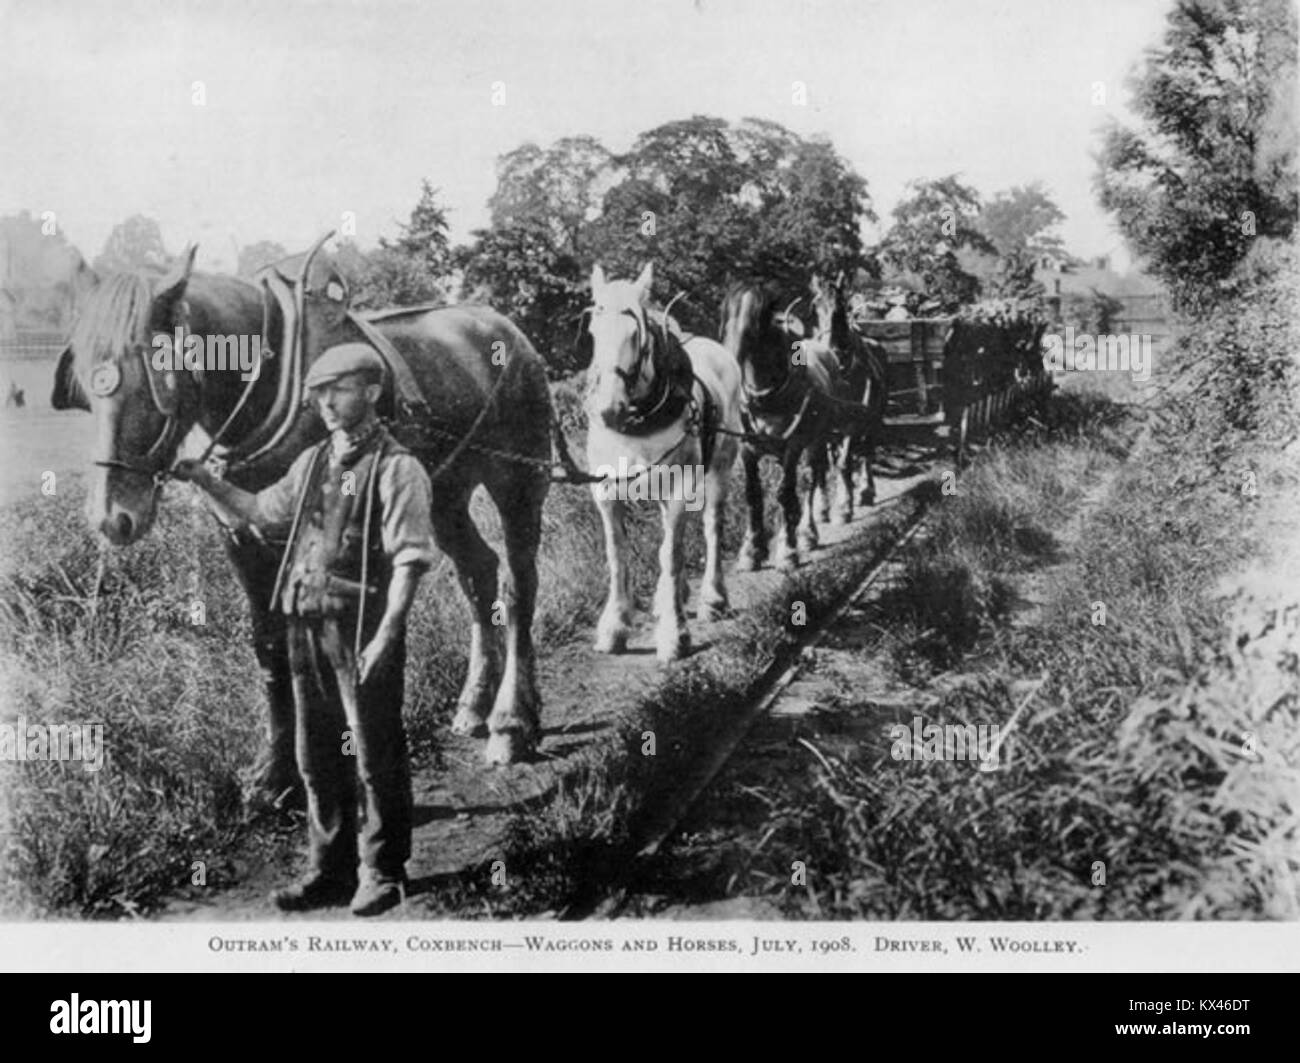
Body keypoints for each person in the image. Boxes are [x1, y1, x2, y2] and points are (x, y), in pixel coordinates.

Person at [173, 343, 436, 917]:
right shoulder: (313, 460)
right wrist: (204, 481)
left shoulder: (399, 469)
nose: (324, 403)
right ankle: (329, 869)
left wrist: (388, 633)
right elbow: (262, 510)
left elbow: (411, 560)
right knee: (315, 751)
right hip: (304, 619)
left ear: (370, 392)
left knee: (374, 750)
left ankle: (383, 871)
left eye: (336, 390)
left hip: (361, 627)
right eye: (317, 394)